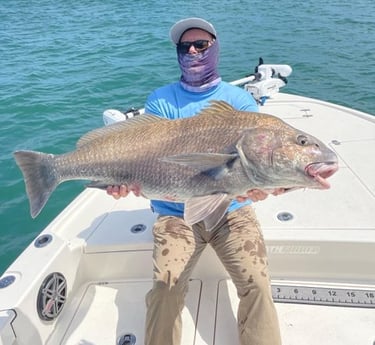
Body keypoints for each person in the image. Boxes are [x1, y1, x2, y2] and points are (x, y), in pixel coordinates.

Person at [107, 18, 282, 345]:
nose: (192, 51)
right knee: (165, 288)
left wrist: (259, 189)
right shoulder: (161, 100)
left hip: (232, 211)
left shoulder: (241, 103)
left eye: (200, 44)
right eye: (184, 46)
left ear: (215, 47)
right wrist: (125, 179)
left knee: (258, 284)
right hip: (175, 213)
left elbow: (254, 169)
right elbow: (152, 158)